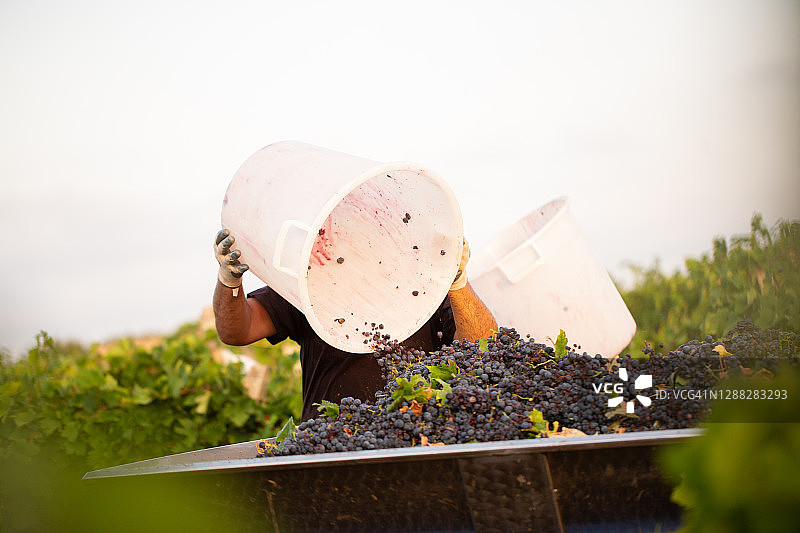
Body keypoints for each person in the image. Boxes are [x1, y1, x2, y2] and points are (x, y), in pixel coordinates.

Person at [212, 229, 497, 421]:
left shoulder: (428, 290)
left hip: (416, 439)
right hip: (329, 446)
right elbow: (238, 331)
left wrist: (457, 282)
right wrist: (229, 280)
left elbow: (485, 347)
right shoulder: (313, 286)